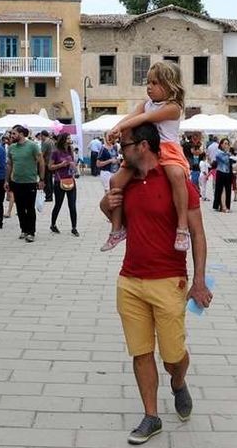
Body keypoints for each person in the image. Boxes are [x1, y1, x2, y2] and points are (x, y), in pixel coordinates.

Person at [98, 123, 211, 445]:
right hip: (130, 280)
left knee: (173, 356)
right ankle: (151, 416)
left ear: (143, 146)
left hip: (169, 281)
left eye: (125, 146)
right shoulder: (128, 181)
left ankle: (178, 381)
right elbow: (116, 217)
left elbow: (198, 234)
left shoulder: (177, 182)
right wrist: (107, 206)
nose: (121, 153)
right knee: (141, 351)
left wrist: (199, 280)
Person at [103, 61, 192, 252]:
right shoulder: (146, 104)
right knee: (115, 181)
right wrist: (116, 128)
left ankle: (183, 227)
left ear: (170, 85)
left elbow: (144, 119)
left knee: (176, 175)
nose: (149, 87)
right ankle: (117, 228)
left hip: (167, 149)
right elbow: (130, 117)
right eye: (148, 82)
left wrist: (121, 128)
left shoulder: (173, 107)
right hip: (147, 150)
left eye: (155, 83)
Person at [6, 125, 45, 243]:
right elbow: (9, 165)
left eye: (14, 134)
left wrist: (42, 179)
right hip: (16, 181)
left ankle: (31, 232)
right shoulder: (12, 148)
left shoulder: (32, 146)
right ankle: (23, 229)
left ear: (21, 134)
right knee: (20, 208)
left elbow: (41, 162)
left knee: (30, 208)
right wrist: (6, 180)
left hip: (30, 181)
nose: (11, 136)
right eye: (11, 134)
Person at [49, 133, 79, 237]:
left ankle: (74, 227)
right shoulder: (56, 152)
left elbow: (74, 165)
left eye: (70, 138)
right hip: (59, 181)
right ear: (63, 140)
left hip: (70, 179)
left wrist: (74, 166)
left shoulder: (70, 150)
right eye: (68, 138)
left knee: (72, 205)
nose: (70, 139)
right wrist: (61, 165)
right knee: (58, 204)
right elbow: (50, 167)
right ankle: (53, 224)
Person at [212, 138, 233, 213]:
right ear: (221, 144)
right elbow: (226, 160)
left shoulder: (226, 153)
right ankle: (223, 207)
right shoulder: (219, 152)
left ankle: (224, 205)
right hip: (221, 172)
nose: (226, 145)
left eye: (227, 143)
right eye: (225, 143)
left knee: (227, 190)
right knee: (221, 190)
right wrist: (228, 154)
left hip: (227, 173)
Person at [39, 131, 55, 202]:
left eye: (41, 136)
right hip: (51, 163)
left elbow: (41, 153)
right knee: (50, 180)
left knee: (46, 180)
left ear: (43, 135)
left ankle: (48, 196)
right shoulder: (51, 141)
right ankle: (50, 195)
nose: (40, 138)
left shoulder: (45, 142)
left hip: (46, 163)